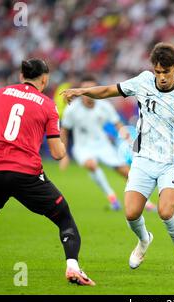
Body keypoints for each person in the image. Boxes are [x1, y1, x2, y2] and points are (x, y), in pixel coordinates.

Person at [61, 42, 174, 272]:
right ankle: (144, 240)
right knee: (131, 213)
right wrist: (82, 91)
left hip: (171, 161)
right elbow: (109, 90)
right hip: (143, 159)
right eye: (158, 71)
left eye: (166, 72)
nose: (161, 77)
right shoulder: (143, 81)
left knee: (166, 211)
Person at [0, 59, 95, 286]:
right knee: (64, 217)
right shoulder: (48, 105)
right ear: (45, 79)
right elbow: (58, 154)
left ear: (21, 76)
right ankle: (73, 267)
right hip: (26, 174)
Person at [59, 75, 157, 212]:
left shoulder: (104, 106)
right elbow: (64, 130)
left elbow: (117, 124)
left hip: (103, 145)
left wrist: (128, 139)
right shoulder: (72, 109)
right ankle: (112, 198)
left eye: (90, 88)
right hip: (83, 147)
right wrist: (64, 155)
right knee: (91, 164)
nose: (87, 92)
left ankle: (146, 202)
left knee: (127, 173)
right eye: (85, 89)